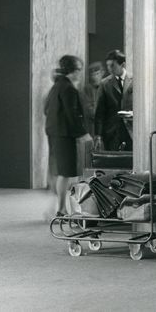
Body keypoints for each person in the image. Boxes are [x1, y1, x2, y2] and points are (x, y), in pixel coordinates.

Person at [44, 55, 89, 217]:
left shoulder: (56, 86)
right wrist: (83, 133)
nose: (80, 73)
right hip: (65, 135)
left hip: (54, 133)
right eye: (79, 70)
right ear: (73, 70)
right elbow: (73, 114)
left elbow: (46, 109)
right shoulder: (68, 88)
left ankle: (61, 207)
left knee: (60, 172)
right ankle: (61, 209)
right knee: (66, 173)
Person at [94, 49, 133, 151]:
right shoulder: (105, 84)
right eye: (108, 65)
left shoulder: (135, 80)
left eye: (112, 65)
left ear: (122, 64)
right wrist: (98, 135)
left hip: (131, 131)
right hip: (112, 133)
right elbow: (99, 112)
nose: (109, 69)